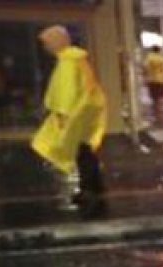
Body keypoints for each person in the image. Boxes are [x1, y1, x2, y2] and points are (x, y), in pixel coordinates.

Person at [31, 25, 108, 217]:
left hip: (77, 114)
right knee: (86, 151)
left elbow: (66, 92)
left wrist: (61, 115)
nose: (45, 48)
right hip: (85, 111)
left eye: (46, 43)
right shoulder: (77, 60)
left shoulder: (68, 62)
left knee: (82, 153)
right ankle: (94, 187)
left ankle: (89, 189)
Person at [144, 45, 163, 123]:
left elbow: (146, 68)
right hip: (161, 80)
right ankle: (160, 114)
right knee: (161, 98)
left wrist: (145, 78)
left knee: (154, 98)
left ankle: (156, 114)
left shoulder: (149, 58)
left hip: (152, 80)